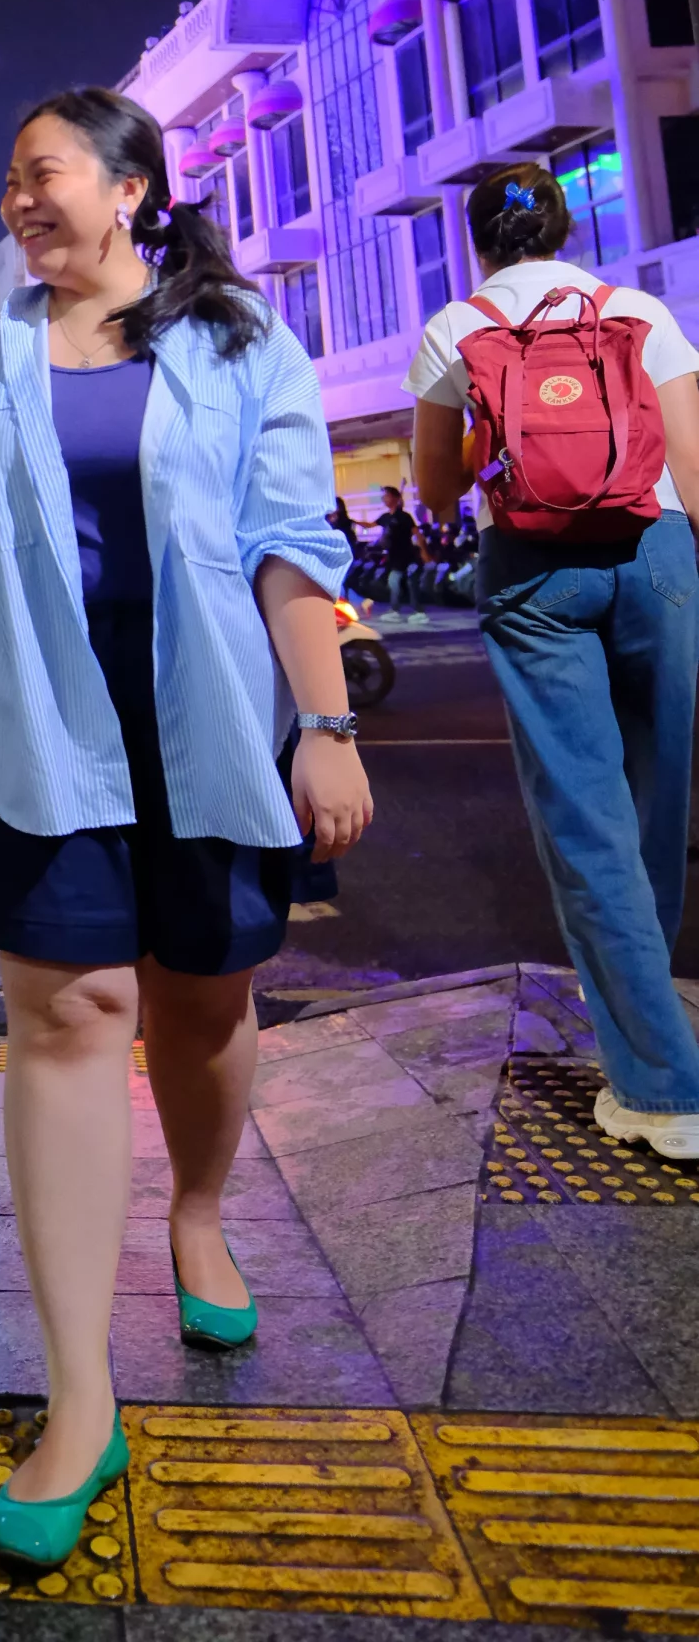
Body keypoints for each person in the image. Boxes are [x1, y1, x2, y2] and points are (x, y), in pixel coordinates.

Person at [0, 87, 369, 1570]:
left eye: (44, 171)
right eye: (8, 177)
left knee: (204, 1000)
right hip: (39, 716)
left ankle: (197, 1211)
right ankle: (81, 1396)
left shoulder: (243, 343)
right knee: (69, 1013)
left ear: (131, 187)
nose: (18, 199)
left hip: (209, 714)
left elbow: (288, 546)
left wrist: (326, 729)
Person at [410, 160, 699, 1158]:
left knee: (586, 820)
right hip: (657, 554)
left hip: (533, 570)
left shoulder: (458, 326)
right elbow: (693, 466)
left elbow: (436, 491)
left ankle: (661, 1087)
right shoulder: (640, 312)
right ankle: (644, 1007)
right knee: (656, 801)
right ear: (568, 228)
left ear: (477, 241)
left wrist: (493, 438)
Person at [376, 485, 419, 608]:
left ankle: (413, 609)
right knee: (395, 581)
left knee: (404, 581)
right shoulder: (387, 518)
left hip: (405, 555)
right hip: (394, 556)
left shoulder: (404, 517)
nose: (384, 499)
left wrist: (423, 551)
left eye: (387, 496)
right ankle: (398, 609)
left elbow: (416, 534)